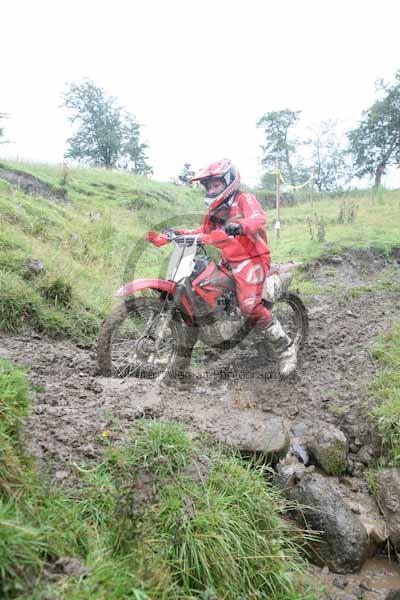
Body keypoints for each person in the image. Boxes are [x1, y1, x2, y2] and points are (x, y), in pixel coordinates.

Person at [165, 158, 297, 377]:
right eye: (208, 186)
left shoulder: (244, 199)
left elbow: (258, 218)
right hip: (228, 262)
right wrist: (178, 233)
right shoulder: (214, 212)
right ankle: (182, 363)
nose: (211, 190)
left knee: (249, 307)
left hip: (252, 260)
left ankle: (286, 350)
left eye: (216, 185)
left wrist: (240, 225)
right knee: (197, 294)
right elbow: (203, 232)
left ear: (229, 181)